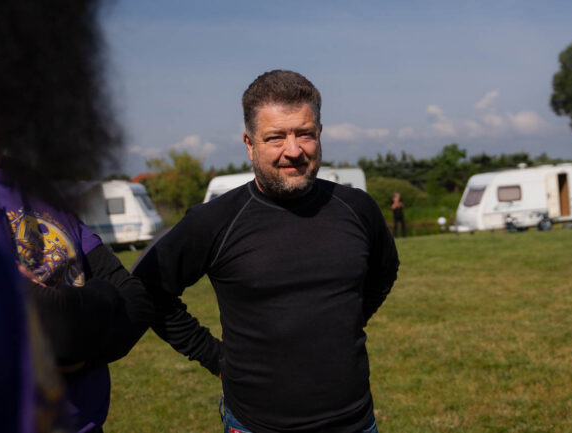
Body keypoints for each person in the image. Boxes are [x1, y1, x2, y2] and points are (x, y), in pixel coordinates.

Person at [133, 70, 399, 433]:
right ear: (249, 143)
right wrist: (213, 356)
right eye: (275, 137)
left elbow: (385, 271)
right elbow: (147, 288)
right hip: (256, 424)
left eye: (305, 134)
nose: (294, 150)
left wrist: (349, 320)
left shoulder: (357, 208)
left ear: (320, 133)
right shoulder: (215, 221)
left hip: (356, 421)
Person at [0, 1, 153, 431]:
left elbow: (134, 301)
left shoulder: (37, 184)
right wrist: (98, 307)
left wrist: (78, 350)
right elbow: (53, 327)